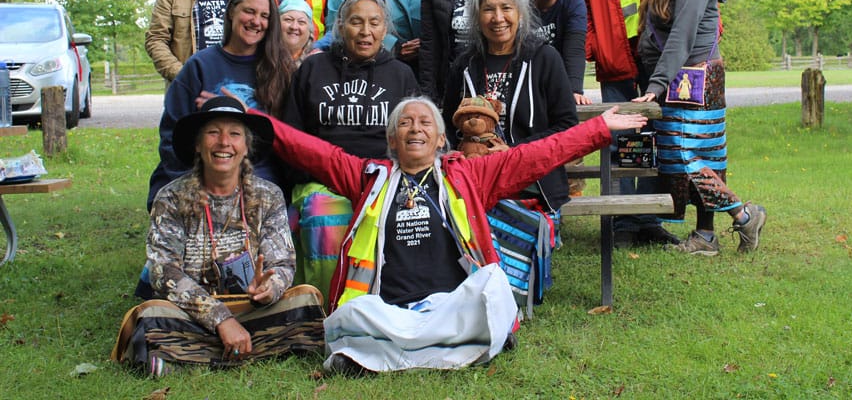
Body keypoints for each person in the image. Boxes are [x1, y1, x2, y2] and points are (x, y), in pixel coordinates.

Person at [244, 93, 647, 374]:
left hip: (451, 306)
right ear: (391, 139)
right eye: (405, 122)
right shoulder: (368, 177)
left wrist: (598, 128)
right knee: (352, 312)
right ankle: (445, 349)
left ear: (440, 139)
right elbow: (311, 151)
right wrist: (251, 120)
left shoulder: (468, 174)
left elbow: (536, 155)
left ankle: (389, 354)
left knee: (491, 284)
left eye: (425, 123)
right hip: (390, 311)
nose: (415, 129)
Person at [112, 96, 325, 377]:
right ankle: (253, 347)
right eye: (213, 132)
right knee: (151, 316)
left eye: (234, 134)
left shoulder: (268, 196)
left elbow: (283, 263)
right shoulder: (171, 198)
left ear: (246, 147)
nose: (224, 142)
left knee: (307, 301)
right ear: (198, 145)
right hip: (192, 314)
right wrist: (221, 319)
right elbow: (164, 273)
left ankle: (188, 356)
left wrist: (269, 288)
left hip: (252, 310)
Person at [633, 0, 767, 256]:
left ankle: (744, 215)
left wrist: (656, 84)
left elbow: (683, 35)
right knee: (692, 156)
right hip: (685, 79)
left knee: (689, 157)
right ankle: (706, 236)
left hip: (694, 79)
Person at [282, 0, 420, 300]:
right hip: (322, 177)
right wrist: (309, 175)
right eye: (356, 22)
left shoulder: (401, 75)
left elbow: (413, 137)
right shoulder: (313, 69)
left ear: (385, 29)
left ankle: (380, 302)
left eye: (375, 23)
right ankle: (324, 307)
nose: (366, 32)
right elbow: (293, 134)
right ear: (341, 26)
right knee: (323, 213)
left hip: (381, 179)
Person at [573, 0, 678, 247]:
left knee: (651, 133)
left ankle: (646, 219)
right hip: (614, 57)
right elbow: (579, 6)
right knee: (620, 136)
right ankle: (621, 221)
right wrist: (590, 49)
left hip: (654, 56)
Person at [145, 0, 294, 211]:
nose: (256, 21)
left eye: (264, 16)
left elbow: (289, 136)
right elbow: (171, 134)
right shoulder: (199, 66)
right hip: (203, 167)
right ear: (231, 11)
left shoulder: (280, 69)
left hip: (260, 169)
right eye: (249, 11)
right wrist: (190, 182)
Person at [442, 0, 577, 212]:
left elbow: (566, 125)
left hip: (531, 180)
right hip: (475, 177)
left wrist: (516, 151)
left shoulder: (545, 58)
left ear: (520, 13)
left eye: (507, 8)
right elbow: (448, 125)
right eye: (488, 10)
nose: (498, 18)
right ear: (476, 16)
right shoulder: (464, 64)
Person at [527, 0, 590, 105]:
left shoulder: (573, 2)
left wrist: (574, 89)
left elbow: (575, 49)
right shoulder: (521, 0)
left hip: (559, 74)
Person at [279, 0, 316, 67]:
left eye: (301, 22)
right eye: (288, 20)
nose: (294, 27)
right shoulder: (263, 57)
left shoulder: (318, 62)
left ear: (310, 31)